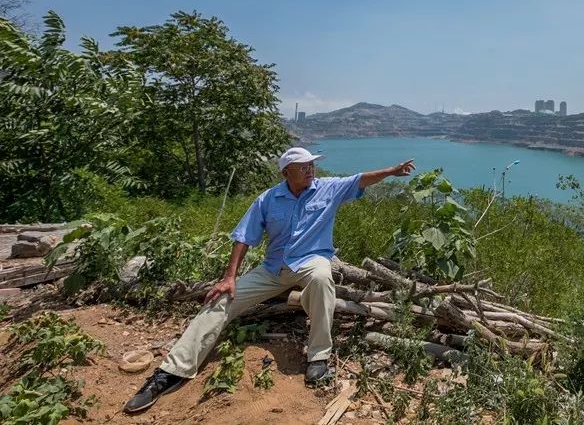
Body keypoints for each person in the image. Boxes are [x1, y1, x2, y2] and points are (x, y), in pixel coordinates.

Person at [123, 147, 415, 413]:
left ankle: (318, 357)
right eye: (303, 166)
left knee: (323, 278)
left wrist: (392, 171)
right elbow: (243, 237)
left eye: (312, 164)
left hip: (311, 261)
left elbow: (360, 180)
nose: (311, 169)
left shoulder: (328, 189)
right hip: (273, 268)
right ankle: (171, 372)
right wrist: (229, 277)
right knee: (221, 300)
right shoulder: (268, 199)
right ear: (286, 172)